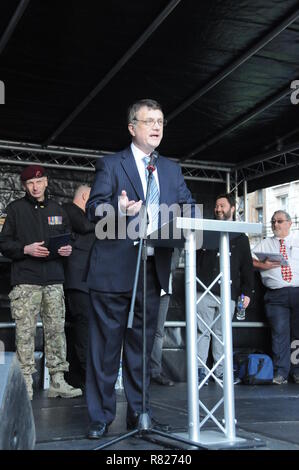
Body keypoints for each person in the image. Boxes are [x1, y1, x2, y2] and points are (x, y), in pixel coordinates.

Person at [85, 98, 195, 439]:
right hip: (113, 272)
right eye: (149, 121)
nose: (157, 126)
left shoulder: (172, 169)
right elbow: (93, 210)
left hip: (152, 272)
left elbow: (190, 208)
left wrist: (180, 216)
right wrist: (117, 210)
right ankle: (101, 416)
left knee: (141, 352)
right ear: (132, 128)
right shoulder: (111, 164)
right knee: (105, 351)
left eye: (160, 120)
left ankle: (140, 413)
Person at [0, 165, 82, 400]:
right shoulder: (14, 209)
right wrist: (25, 249)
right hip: (26, 280)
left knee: (56, 332)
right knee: (25, 334)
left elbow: (69, 237)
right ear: (24, 186)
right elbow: (3, 242)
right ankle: (24, 382)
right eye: (30, 183)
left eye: (39, 182)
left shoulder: (58, 208)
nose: (35, 187)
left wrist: (68, 248)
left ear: (46, 182)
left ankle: (58, 380)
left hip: (54, 280)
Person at [196, 193, 254, 384]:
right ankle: (199, 372)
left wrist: (246, 292)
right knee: (201, 332)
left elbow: (247, 267)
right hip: (203, 290)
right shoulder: (205, 232)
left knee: (222, 334)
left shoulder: (241, 237)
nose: (218, 209)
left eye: (222, 206)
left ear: (232, 208)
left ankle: (221, 372)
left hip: (229, 293)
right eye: (216, 206)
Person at [252, 210, 299, 385]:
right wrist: (261, 264)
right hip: (276, 295)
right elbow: (247, 260)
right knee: (280, 333)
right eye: (273, 222)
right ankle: (281, 373)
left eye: (279, 221)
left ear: (289, 223)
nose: (275, 225)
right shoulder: (265, 243)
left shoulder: (297, 240)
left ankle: (297, 372)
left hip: (297, 291)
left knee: (298, 335)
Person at [63, 185, 95, 390]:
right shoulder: (69, 210)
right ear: (85, 196)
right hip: (76, 281)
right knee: (83, 326)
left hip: (86, 282)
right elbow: (84, 226)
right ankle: (85, 373)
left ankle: (77, 375)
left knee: (80, 328)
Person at [150, 248, 181, 387]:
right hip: (145, 283)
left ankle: (155, 372)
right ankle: (138, 371)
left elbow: (174, 261)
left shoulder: (172, 233)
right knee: (139, 327)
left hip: (164, 286)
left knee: (158, 331)